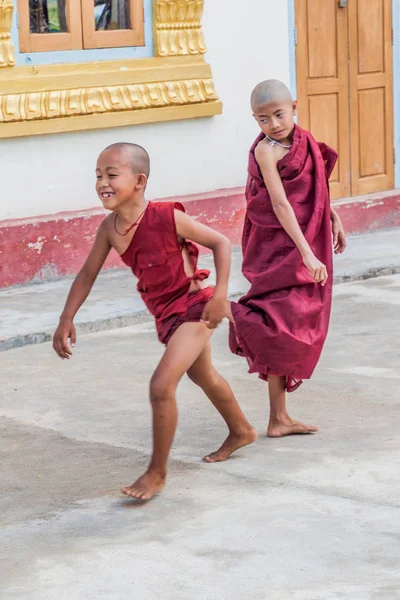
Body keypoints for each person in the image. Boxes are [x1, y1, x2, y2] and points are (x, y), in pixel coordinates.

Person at [53, 142, 256, 501]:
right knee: (203, 375)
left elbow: (221, 243)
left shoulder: (166, 216)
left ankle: (156, 473)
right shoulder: (110, 228)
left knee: (161, 387)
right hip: (167, 316)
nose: (103, 182)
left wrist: (221, 295)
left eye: (112, 175)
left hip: (196, 308)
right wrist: (66, 318)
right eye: (98, 175)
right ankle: (241, 429)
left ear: (140, 180)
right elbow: (87, 274)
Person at [229, 80, 347, 438]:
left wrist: (332, 217)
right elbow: (279, 204)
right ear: (256, 121)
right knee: (280, 317)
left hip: (305, 234)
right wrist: (307, 253)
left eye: (279, 114)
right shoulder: (267, 152)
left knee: (298, 317)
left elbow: (319, 187)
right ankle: (226, 312)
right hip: (276, 244)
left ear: (293, 107)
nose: (274, 124)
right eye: (263, 119)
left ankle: (279, 417)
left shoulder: (305, 141)